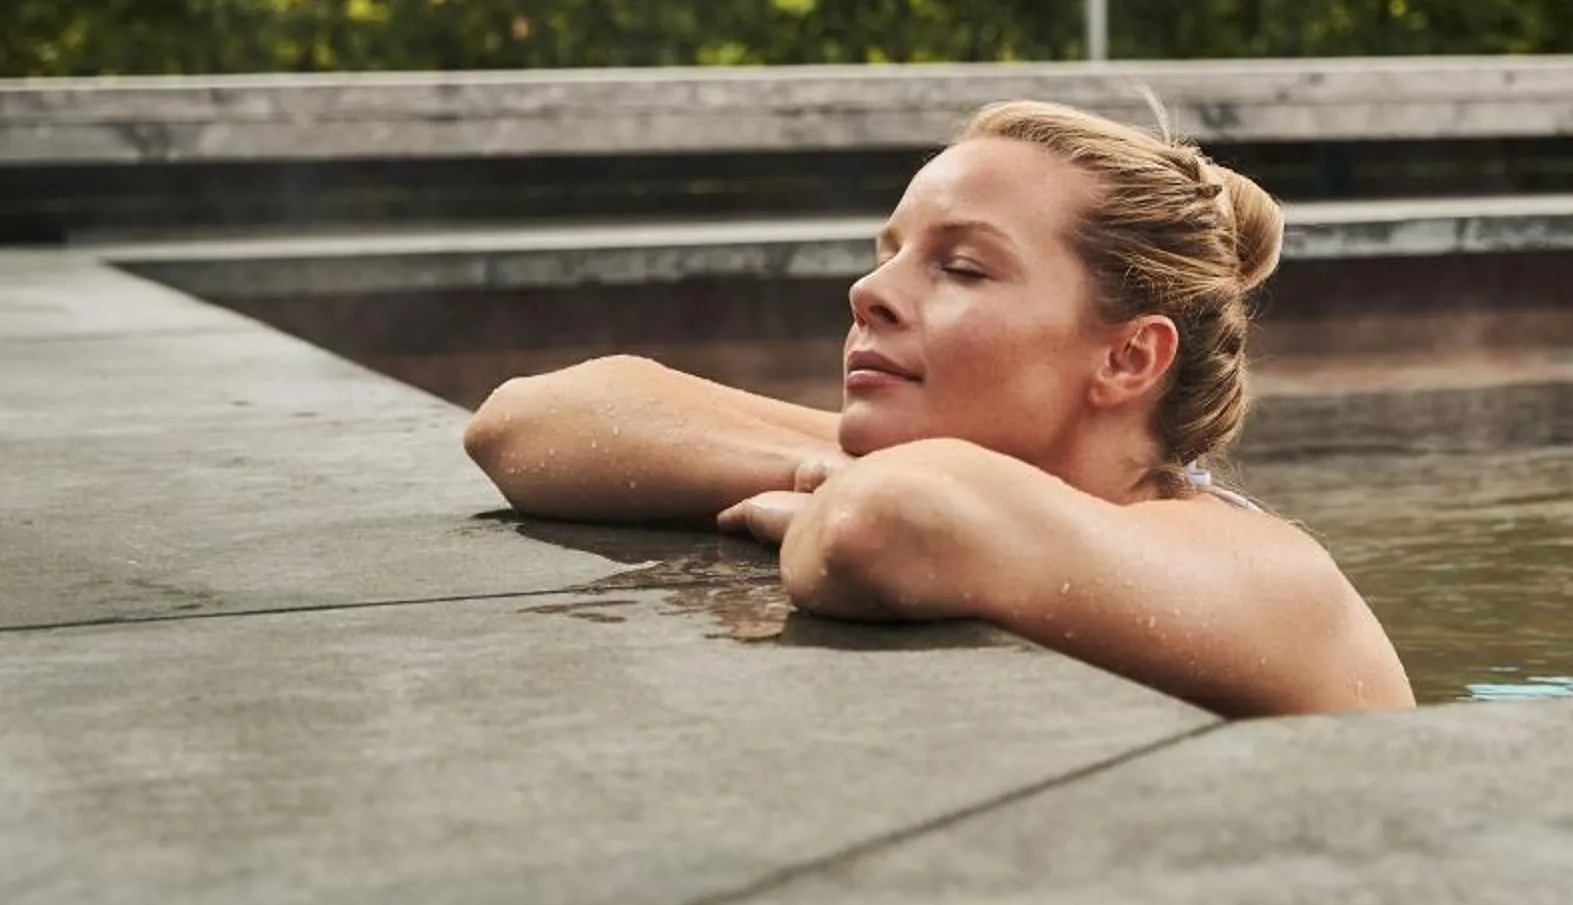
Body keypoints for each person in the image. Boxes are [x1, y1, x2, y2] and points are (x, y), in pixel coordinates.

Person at [463, 100, 1413, 718]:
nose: (869, 292)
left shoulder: (1267, 572)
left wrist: (853, 487)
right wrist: (826, 468)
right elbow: (527, 422)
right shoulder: (997, 486)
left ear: (1128, 357)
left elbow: (890, 527)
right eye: (890, 254)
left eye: (961, 268)